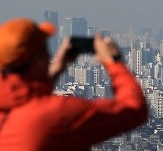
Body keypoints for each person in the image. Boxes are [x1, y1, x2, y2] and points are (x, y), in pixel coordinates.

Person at [0, 18, 148, 151]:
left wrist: (55, 71)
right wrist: (113, 61)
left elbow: (26, 101)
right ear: (37, 60)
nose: (49, 57)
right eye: (45, 52)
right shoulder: (59, 113)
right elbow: (134, 109)